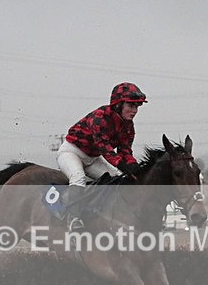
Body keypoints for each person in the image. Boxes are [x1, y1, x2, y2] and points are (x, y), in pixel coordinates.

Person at [56, 82, 147, 231]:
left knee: (117, 178)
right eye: (131, 106)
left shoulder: (129, 126)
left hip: (93, 159)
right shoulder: (99, 117)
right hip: (71, 152)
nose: (135, 111)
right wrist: (123, 165)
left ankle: (105, 215)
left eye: (137, 107)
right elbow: (105, 148)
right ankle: (73, 220)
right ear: (118, 105)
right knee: (78, 177)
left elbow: (125, 151)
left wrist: (133, 166)